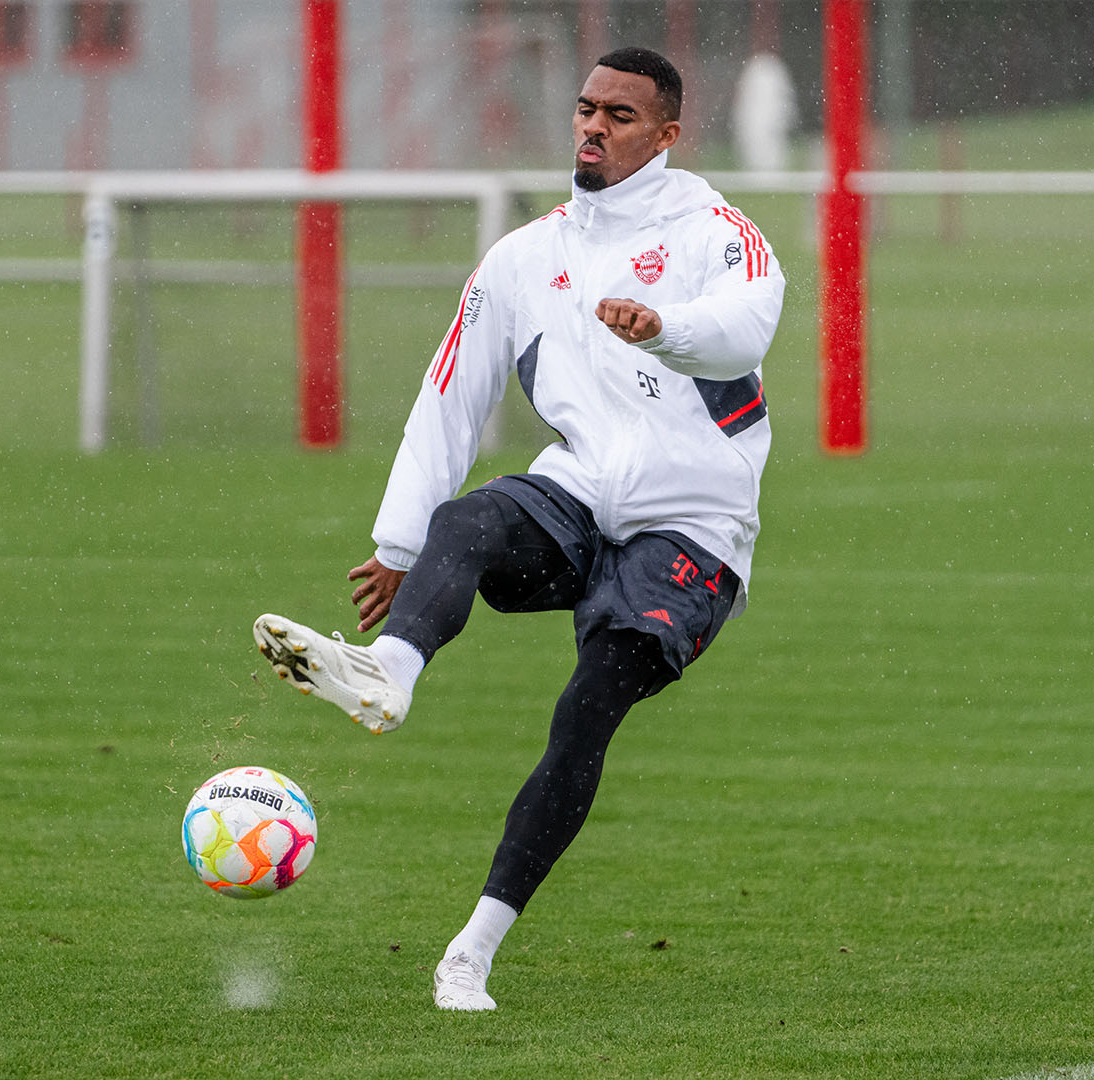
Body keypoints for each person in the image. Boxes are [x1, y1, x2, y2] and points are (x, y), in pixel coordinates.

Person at [254, 46, 784, 1011]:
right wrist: (399, 545)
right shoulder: (525, 258)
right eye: (585, 109)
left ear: (666, 135)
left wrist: (660, 326)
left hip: (695, 520)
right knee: (474, 518)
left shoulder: (719, 230)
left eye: (620, 116)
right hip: (578, 490)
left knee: (588, 710)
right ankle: (389, 672)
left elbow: (747, 329)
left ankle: (471, 952)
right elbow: (450, 393)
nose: (593, 126)